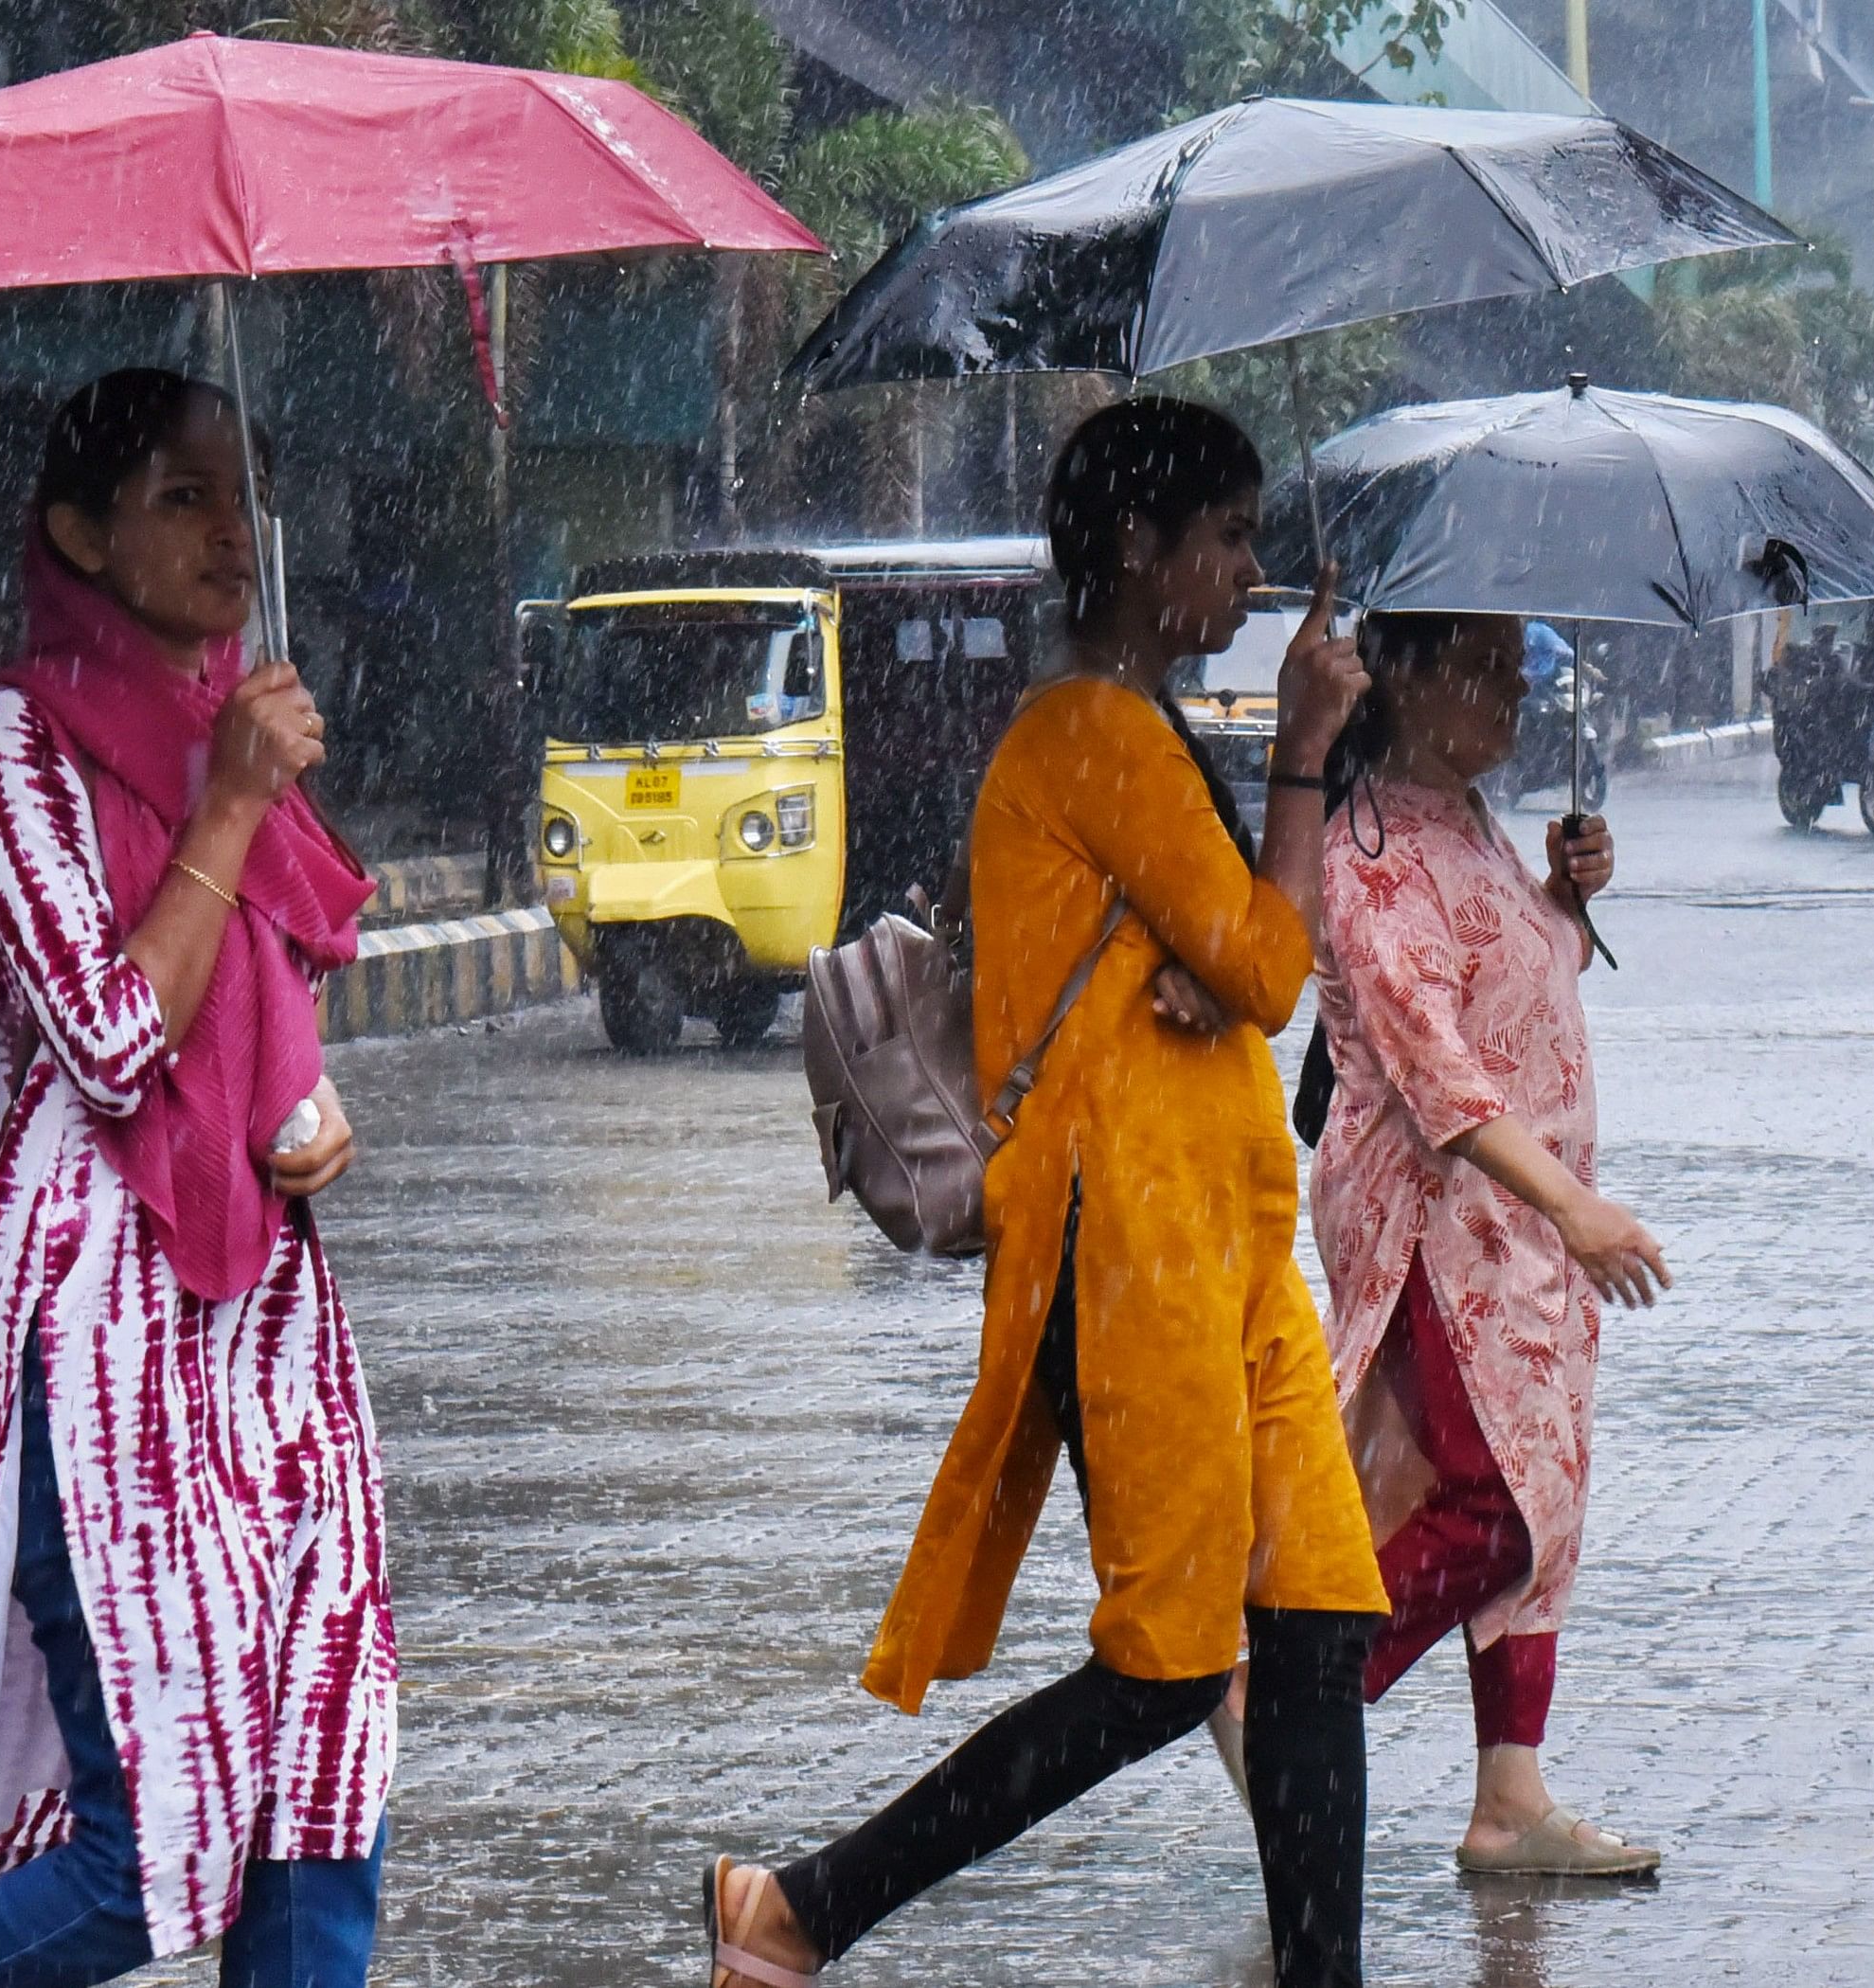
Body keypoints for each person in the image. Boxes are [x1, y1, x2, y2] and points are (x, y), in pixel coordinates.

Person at [700, 399, 1386, 1988]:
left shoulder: (1126, 727)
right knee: (1166, 1662)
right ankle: (805, 1904)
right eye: (1224, 536)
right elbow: (1272, 966)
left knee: (1316, 1616)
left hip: (1227, 1253)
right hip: (1130, 1252)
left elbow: (1229, 956)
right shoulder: (1089, 730)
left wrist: (1214, 950)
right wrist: (1297, 746)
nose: (1246, 572)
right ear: (1141, 551)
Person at [0, 369, 392, 1988]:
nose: (227, 533)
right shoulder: (10, 740)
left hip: (266, 1316)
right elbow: (109, 1043)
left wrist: (309, 1111)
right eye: (182, 497)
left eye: (238, 495)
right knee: (148, 1854)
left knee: (322, 1779)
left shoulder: (227, 721)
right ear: (78, 531)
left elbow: (257, 1028)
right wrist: (228, 800)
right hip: (102, 1326)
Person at [1309, 611, 1673, 1878]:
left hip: (1523, 1219)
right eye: (1489, 669)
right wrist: (1573, 1211)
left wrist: (1564, 900)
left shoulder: (1461, 815)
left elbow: (1524, 977)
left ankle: (1509, 1793)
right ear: (1405, 674)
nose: (1517, 693)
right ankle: (1292, 1684)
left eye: (1523, 670)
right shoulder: (1368, 845)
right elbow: (1434, 1068)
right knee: (1496, 1498)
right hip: (1444, 1215)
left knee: (1546, 1488)